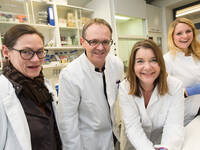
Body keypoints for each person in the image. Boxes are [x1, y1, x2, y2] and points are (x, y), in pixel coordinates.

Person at [58, 18, 124, 150]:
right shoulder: (70, 74)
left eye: (105, 42)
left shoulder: (117, 64)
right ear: (83, 42)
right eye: (93, 41)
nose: (100, 48)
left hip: (115, 137)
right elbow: (67, 122)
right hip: (89, 143)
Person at [0, 24, 62, 150]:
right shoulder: (3, 93)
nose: (35, 60)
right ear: (6, 52)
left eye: (40, 52)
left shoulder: (43, 86)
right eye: (26, 52)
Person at [119, 39, 184, 150]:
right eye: (140, 61)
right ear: (132, 66)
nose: (148, 67)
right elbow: (133, 127)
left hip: (163, 142)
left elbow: (173, 126)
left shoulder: (175, 86)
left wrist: (165, 148)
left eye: (153, 60)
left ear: (160, 64)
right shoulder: (125, 88)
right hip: (134, 145)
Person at [164, 17, 200, 126]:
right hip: (179, 116)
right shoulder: (167, 59)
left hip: (197, 111)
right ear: (172, 37)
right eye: (179, 33)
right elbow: (162, 92)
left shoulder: (197, 55)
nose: (185, 36)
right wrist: (187, 92)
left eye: (188, 31)